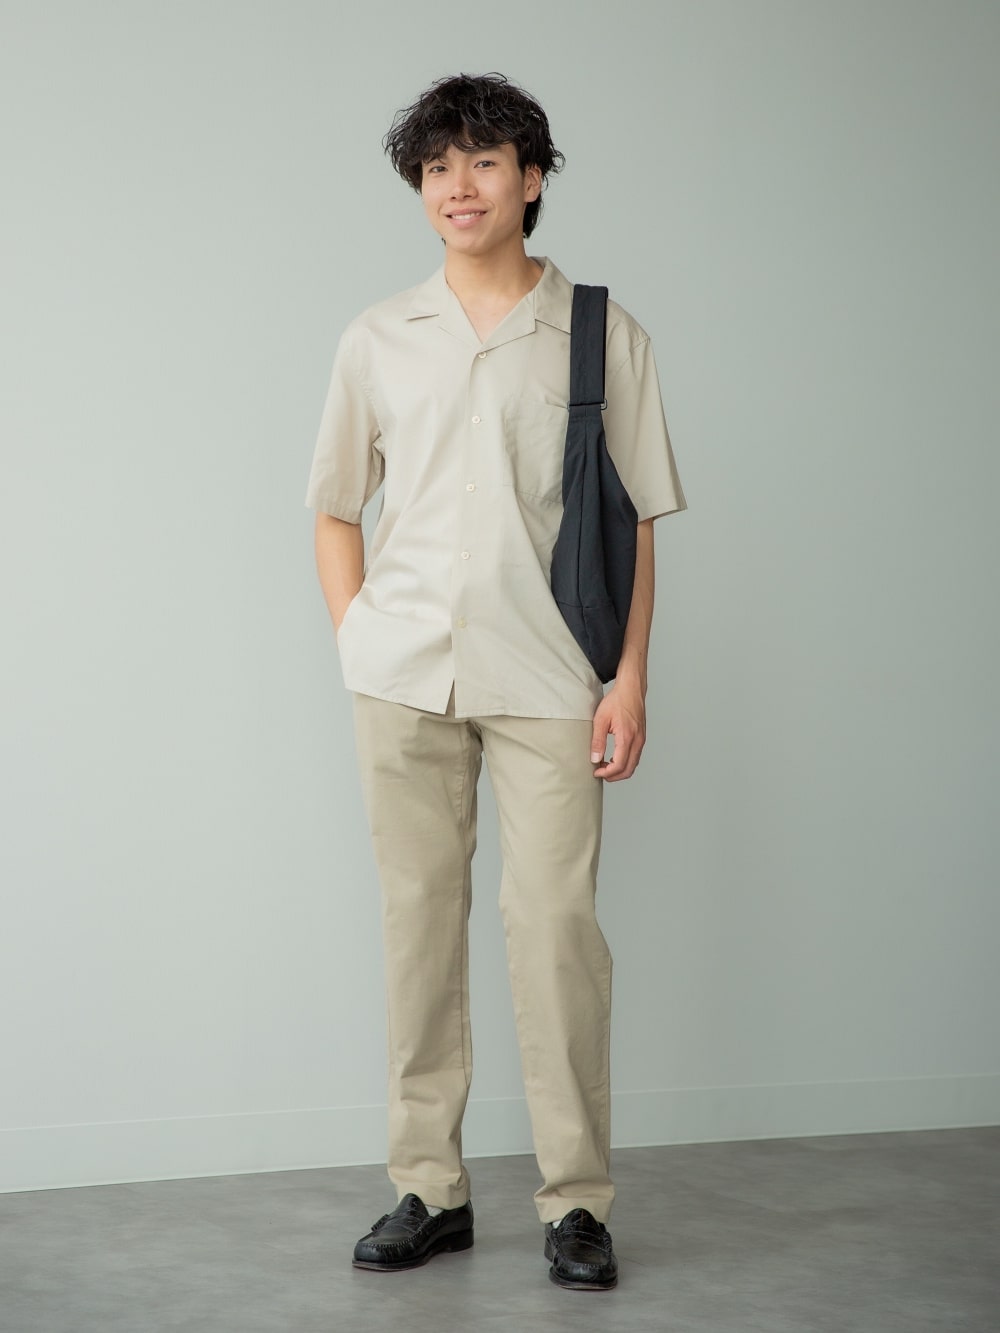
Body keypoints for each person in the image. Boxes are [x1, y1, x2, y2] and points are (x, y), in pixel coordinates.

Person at [305, 72, 686, 1292]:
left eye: (481, 161)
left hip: (549, 675)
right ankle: (428, 1186)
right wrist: (358, 638)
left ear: (531, 178)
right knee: (418, 927)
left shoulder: (601, 334)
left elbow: (636, 522)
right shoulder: (377, 337)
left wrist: (627, 677)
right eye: (436, 168)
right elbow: (333, 506)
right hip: (404, 678)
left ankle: (576, 1201)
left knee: (555, 930)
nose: (457, 187)